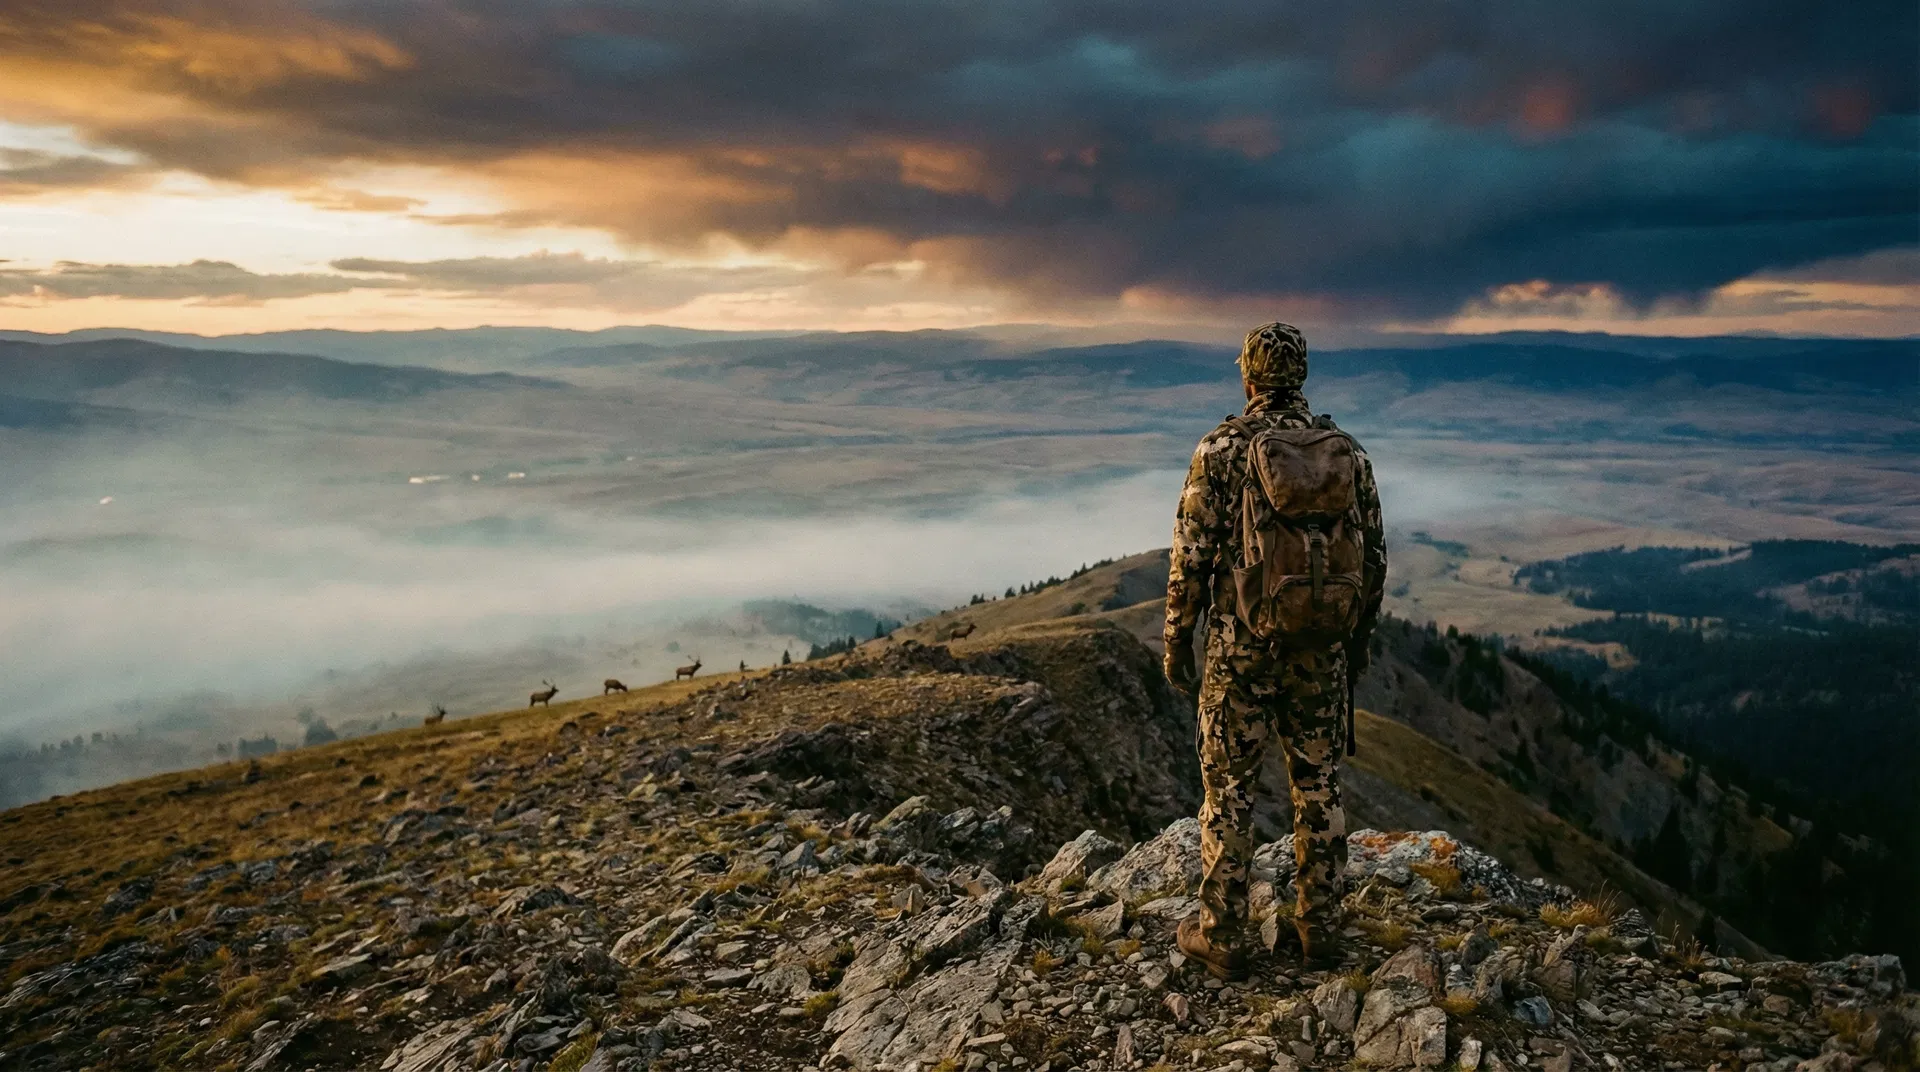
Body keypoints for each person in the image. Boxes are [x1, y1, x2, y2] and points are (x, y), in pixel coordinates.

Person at [1163, 322, 1387, 978]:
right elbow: (1373, 557)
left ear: (1248, 377)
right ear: (1302, 377)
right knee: (1318, 784)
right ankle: (1321, 929)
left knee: (1229, 789)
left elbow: (1192, 557)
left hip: (1240, 649)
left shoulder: (1222, 449)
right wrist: (1358, 642)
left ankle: (1224, 937)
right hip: (1322, 650)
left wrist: (1177, 639)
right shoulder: (1347, 451)